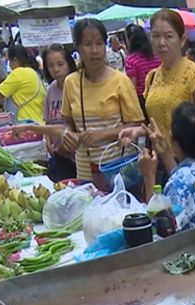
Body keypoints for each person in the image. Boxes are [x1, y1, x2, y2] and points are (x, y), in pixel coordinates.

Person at [118, 9, 195, 163]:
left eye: (168, 36)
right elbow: (158, 123)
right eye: (156, 36)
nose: (161, 43)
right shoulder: (152, 77)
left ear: (182, 39)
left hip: (191, 166)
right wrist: (137, 131)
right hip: (159, 161)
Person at [61, 19, 144, 183]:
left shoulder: (120, 81)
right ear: (77, 47)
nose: (94, 51)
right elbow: (68, 121)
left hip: (119, 168)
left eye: (99, 43)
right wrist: (67, 133)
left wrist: (101, 135)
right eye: (87, 44)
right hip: (85, 169)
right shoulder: (71, 82)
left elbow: (137, 124)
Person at [137, 102, 195, 229]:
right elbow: (186, 178)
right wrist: (165, 153)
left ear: (177, 143)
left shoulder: (180, 182)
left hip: (194, 246)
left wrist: (149, 176)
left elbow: (159, 230)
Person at [12, 44, 77, 181]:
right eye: (51, 65)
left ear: (69, 64)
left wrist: (30, 127)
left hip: (75, 154)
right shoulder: (51, 89)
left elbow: (67, 127)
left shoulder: (75, 88)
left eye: (60, 64)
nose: (56, 69)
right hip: (57, 154)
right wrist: (48, 142)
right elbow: (48, 120)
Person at [0, 45, 45, 124]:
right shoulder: (33, 72)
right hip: (38, 122)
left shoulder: (19, 72)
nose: (10, 65)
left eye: (9, 61)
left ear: (15, 60)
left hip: (26, 123)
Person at [125, 26, 162, 116]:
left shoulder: (131, 60)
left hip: (142, 100)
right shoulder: (157, 56)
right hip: (160, 95)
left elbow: (132, 87)